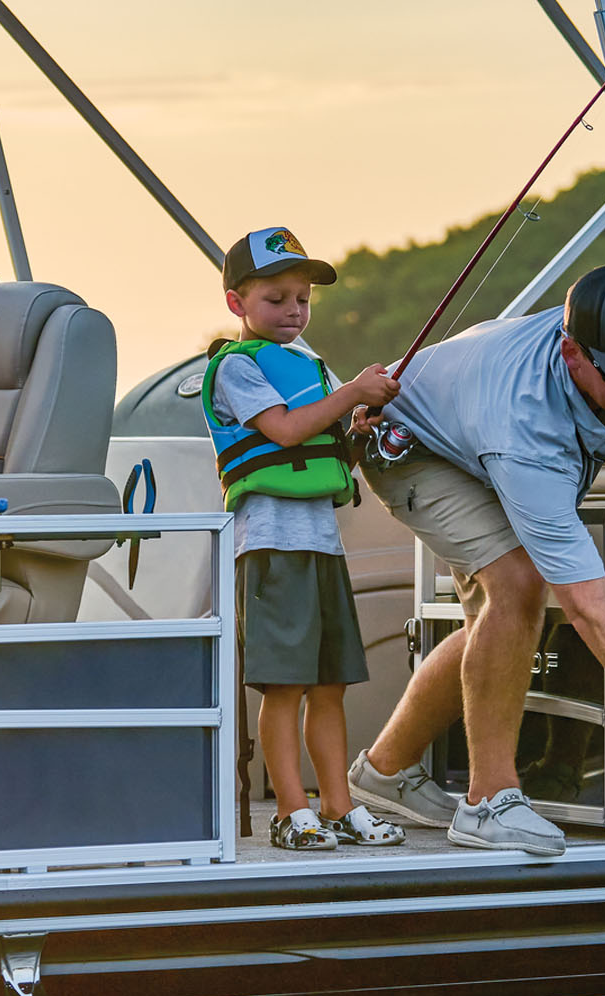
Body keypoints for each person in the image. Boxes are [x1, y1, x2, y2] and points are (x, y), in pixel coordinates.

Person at [347, 265, 605, 856]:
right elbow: (589, 609)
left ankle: (384, 772)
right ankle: (488, 803)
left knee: (505, 609)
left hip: (473, 428)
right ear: (573, 354)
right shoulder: (524, 424)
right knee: (517, 585)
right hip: (411, 444)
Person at [203, 227, 407, 851]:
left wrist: (360, 419)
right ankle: (292, 811)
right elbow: (288, 431)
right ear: (237, 303)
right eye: (277, 298)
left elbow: (327, 430)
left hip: (321, 544)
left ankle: (339, 807)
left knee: (329, 684)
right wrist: (351, 394)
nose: (294, 310)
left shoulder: (311, 362)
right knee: (285, 686)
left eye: (302, 299)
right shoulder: (237, 367)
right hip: (270, 547)